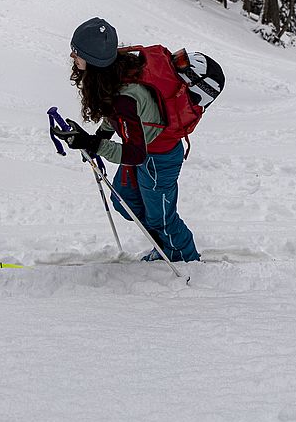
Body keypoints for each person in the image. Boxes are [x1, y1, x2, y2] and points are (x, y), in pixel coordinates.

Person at [57, 17, 201, 262]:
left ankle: (187, 261)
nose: (73, 57)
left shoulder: (126, 96)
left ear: (93, 59)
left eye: (76, 52)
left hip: (159, 158)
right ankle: (166, 244)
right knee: (125, 201)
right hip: (143, 149)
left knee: (162, 218)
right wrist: (99, 136)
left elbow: (136, 154)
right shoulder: (116, 73)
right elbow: (118, 117)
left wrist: (92, 144)